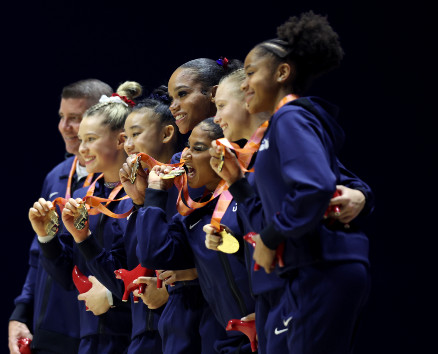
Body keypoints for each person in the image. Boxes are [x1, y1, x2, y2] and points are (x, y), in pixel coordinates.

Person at [211, 12, 371, 354]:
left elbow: (315, 187)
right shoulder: (283, 128)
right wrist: (239, 182)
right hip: (305, 270)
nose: (244, 83)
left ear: (282, 73)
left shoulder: (291, 117)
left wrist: (269, 239)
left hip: (319, 266)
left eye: (251, 73)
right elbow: (334, 183)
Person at [29, 82, 142, 354]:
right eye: (81, 139)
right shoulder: (83, 196)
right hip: (89, 338)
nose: (81, 149)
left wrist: (114, 298)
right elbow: (68, 278)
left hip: (132, 336)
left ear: (120, 140)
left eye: (90, 139)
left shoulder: (140, 195)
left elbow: (152, 273)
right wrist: (47, 237)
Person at [8, 79, 112, 354]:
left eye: (75, 118)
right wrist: (21, 313)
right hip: (48, 330)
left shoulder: (115, 181)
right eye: (62, 117)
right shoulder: (56, 175)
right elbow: (36, 255)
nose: (65, 127)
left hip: (97, 329)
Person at [136, 118, 256, 353]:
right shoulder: (193, 216)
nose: (186, 156)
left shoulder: (249, 194)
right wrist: (154, 194)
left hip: (273, 331)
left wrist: (269, 315)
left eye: (197, 148)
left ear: (225, 152)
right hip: (230, 341)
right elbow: (153, 254)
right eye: (187, 147)